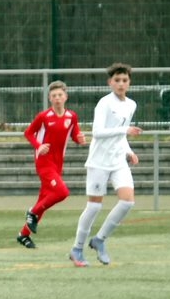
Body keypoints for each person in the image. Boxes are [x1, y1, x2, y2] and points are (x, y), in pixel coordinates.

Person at [70, 62, 142, 266]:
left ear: (129, 83)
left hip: (118, 161)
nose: (121, 84)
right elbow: (98, 132)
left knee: (127, 201)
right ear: (110, 82)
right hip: (99, 162)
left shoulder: (131, 104)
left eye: (124, 80)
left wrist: (129, 151)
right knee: (94, 206)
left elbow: (120, 134)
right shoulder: (104, 103)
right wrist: (125, 131)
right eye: (117, 80)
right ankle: (77, 249)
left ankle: (99, 240)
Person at [17, 80, 86, 249]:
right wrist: (39, 146)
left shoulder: (72, 116)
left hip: (57, 163)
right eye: (54, 95)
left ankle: (24, 235)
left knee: (44, 199)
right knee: (62, 192)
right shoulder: (44, 116)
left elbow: (75, 134)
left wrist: (80, 139)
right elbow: (28, 133)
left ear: (66, 97)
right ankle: (32, 212)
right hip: (44, 162)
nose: (57, 98)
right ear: (49, 98)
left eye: (60, 95)